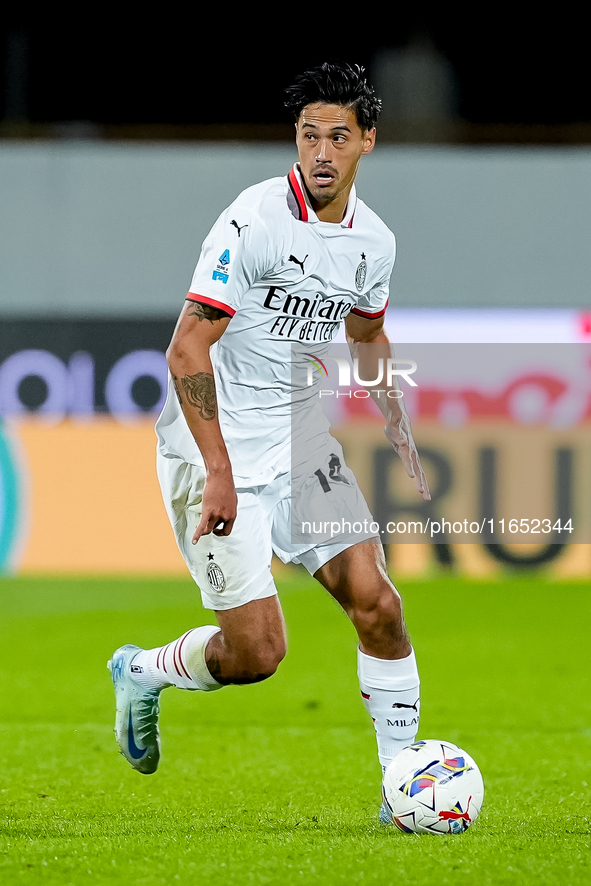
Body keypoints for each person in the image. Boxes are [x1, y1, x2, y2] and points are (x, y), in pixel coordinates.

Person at [108, 61, 430, 822]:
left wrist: (390, 411)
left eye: (338, 137)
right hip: (210, 450)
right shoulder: (253, 220)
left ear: (366, 143)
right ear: (296, 138)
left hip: (299, 442)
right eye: (309, 135)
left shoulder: (372, 242)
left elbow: (369, 330)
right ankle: (145, 670)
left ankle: (398, 791)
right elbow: (186, 349)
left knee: (378, 605)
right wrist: (217, 473)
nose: (321, 152)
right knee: (256, 656)